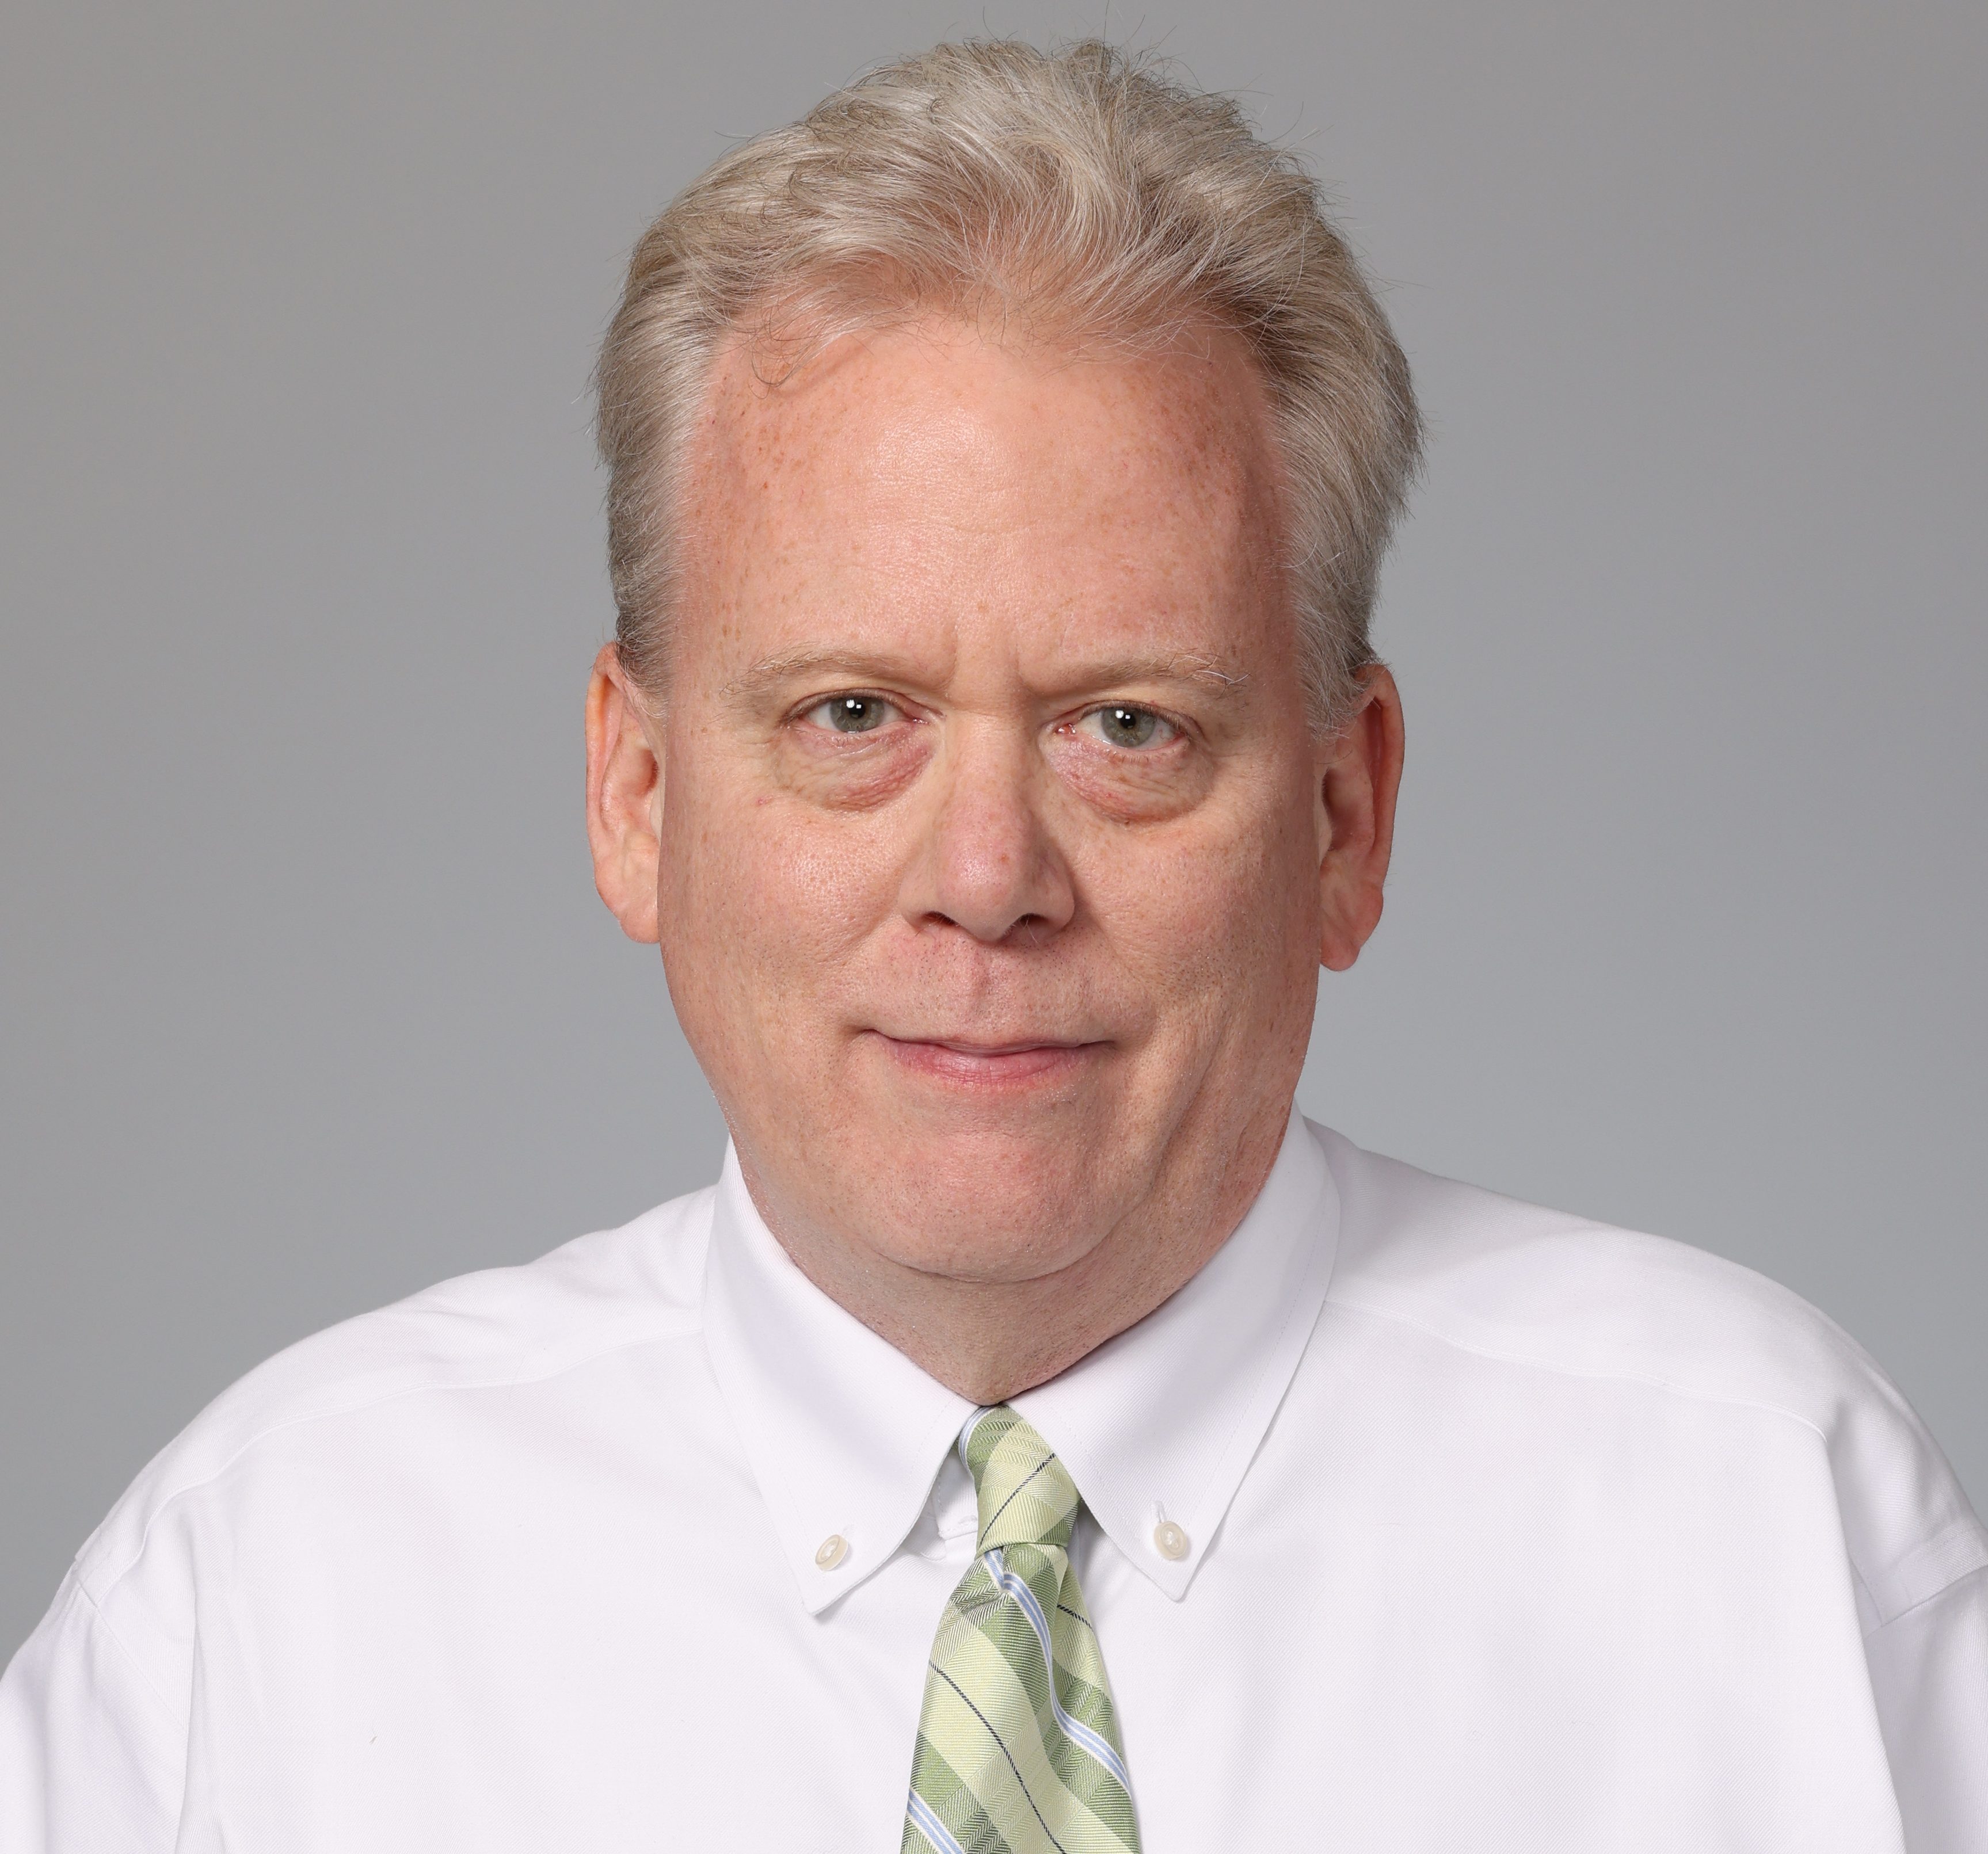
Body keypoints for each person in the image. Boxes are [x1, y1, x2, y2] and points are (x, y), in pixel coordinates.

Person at [2, 36, 1982, 1852]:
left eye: (1128, 726)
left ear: (1343, 813)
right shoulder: (264, 1600)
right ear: (639, 793)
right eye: (851, 714)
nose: (985, 875)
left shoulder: (1767, 1531)